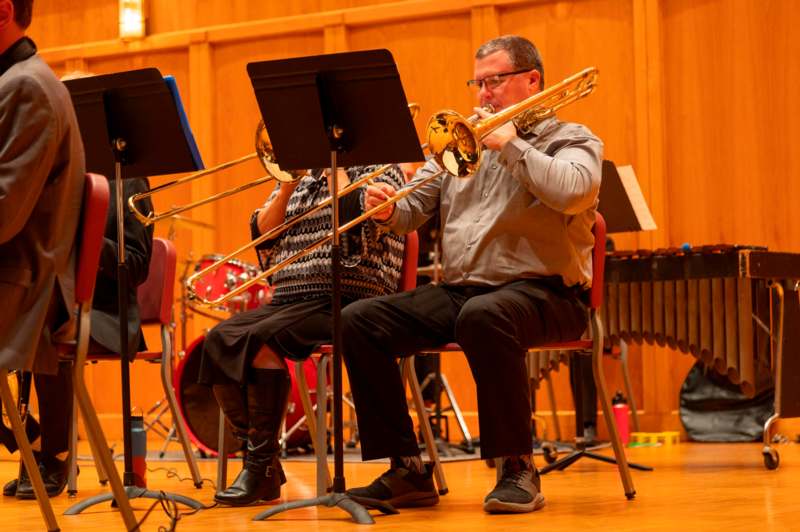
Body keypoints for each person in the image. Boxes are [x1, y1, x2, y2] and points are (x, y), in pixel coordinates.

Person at [341, 34, 603, 514]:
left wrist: (511, 146)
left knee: (485, 316)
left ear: (532, 81)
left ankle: (517, 467)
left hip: (548, 294)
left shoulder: (572, 138)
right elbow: (415, 206)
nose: (483, 94)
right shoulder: (465, 144)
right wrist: (386, 209)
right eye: (478, 83)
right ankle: (407, 469)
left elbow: (573, 192)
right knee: (359, 319)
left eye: (495, 81)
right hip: (465, 292)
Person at [199, 164, 405, 506]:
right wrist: (285, 188)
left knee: (262, 338)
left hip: (349, 298)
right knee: (219, 338)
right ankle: (263, 463)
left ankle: (258, 466)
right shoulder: (301, 178)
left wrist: (337, 172)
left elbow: (360, 228)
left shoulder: (381, 170)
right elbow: (264, 237)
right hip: (288, 300)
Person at [2, 177, 154, 499]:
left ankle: (55, 457)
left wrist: (84, 237)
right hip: (45, 304)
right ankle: (34, 443)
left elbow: (138, 265)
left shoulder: (127, 181)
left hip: (105, 316)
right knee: (39, 314)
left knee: (46, 324)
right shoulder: (49, 177)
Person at [0, 0, 85, 495]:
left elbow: (5, 213)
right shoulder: (16, 82)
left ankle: (34, 442)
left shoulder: (27, 85)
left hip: (24, 282)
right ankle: (30, 439)